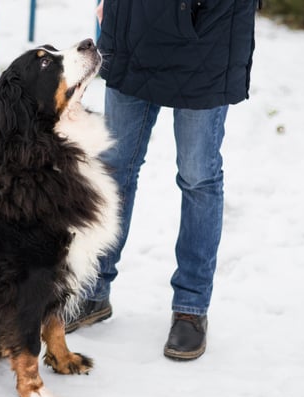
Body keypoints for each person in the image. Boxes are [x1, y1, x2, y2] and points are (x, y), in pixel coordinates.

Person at [66, 0, 259, 361]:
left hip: (210, 31)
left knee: (198, 176)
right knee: (114, 169)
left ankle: (191, 305)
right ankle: (94, 289)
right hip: (134, 25)